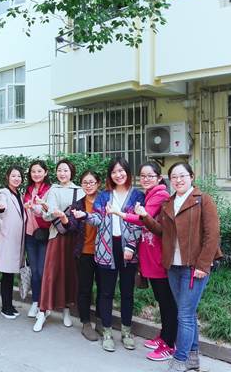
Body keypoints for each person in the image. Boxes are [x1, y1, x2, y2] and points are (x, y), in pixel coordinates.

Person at [135, 162, 222, 372]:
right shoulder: (170, 202)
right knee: (187, 314)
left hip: (193, 267)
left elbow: (212, 235)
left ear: (191, 176)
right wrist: (145, 216)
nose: (178, 180)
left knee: (184, 314)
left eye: (182, 176)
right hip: (173, 267)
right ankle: (193, 358)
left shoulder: (203, 200)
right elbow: (162, 232)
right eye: (174, 177)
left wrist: (203, 264)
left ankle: (180, 359)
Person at [73, 157, 144, 352]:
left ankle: (126, 332)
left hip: (128, 250)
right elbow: (97, 218)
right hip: (106, 249)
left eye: (121, 171)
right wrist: (85, 216)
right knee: (106, 292)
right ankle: (106, 332)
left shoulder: (137, 195)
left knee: (127, 293)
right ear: (110, 175)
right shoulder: (104, 196)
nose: (118, 175)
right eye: (114, 172)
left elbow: (140, 222)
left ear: (127, 172)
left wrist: (131, 246)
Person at [110, 161, 176, 361]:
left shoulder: (160, 195)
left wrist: (119, 213)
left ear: (159, 178)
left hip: (159, 257)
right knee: (161, 299)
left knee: (166, 301)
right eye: (143, 176)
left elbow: (142, 218)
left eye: (150, 176)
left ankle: (169, 343)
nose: (146, 179)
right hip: (150, 256)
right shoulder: (150, 194)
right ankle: (164, 336)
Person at [33, 159, 84, 332]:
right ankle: (42, 312)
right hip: (56, 236)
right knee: (50, 274)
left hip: (73, 239)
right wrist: (46, 208)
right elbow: (47, 215)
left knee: (69, 274)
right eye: (60, 170)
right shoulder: (53, 190)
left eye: (66, 170)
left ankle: (66, 311)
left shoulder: (80, 190)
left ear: (71, 172)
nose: (62, 173)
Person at [62, 170, 102, 341]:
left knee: (103, 289)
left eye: (91, 182)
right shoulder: (78, 204)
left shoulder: (105, 200)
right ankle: (85, 323)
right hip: (84, 252)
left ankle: (101, 321)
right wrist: (65, 220)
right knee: (84, 288)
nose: (88, 185)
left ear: (98, 183)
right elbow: (72, 227)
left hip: (104, 253)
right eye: (85, 182)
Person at [0, 166, 26, 319]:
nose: (16, 178)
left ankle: (9, 304)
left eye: (19, 176)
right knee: (7, 274)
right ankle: (5, 307)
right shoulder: (4, 192)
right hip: (8, 239)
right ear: (8, 177)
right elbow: (2, 205)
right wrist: (1, 207)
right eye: (13, 175)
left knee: (11, 274)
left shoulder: (19, 194)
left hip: (17, 239)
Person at [23, 160, 52, 318]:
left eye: (39, 171)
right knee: (34, 271)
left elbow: (48, 211)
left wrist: (36, 207)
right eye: (33, 171)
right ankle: (35, 302)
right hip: (29, 235)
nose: (36, 174)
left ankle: (43, 304)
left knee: (41, 271)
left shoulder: (50, 190)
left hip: (43, 234)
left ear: (45, 172)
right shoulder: (27, 190)